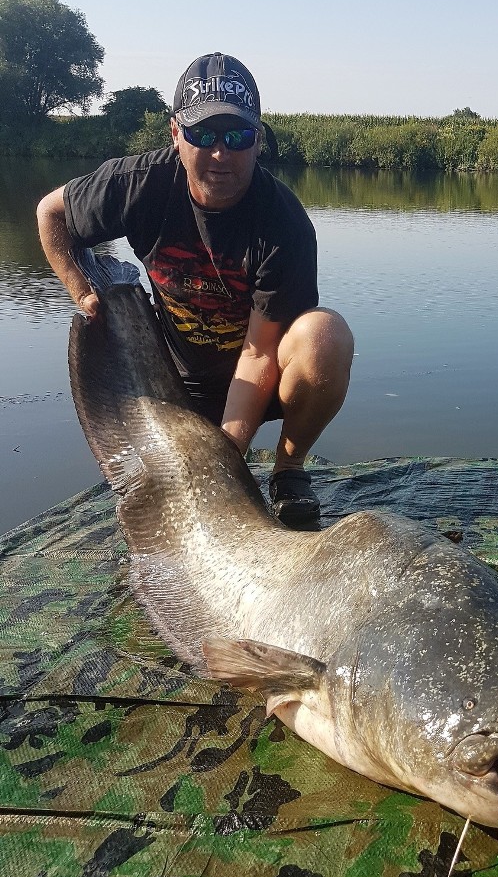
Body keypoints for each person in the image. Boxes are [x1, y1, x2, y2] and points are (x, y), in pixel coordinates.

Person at [37, 52, 353, 525]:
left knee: (324, 336)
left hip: (258, 381)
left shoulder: (284, 224)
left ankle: (288, 469)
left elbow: (259, 354)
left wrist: (222, 463)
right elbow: (50, 213)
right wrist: (81, 289)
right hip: (170, 380)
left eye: (237, 136)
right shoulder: (137, 184)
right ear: (175, 134)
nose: (220, 153)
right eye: (202, 135)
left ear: (258, 141)